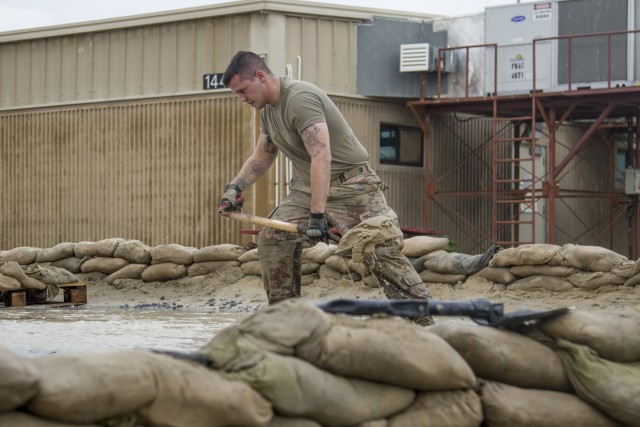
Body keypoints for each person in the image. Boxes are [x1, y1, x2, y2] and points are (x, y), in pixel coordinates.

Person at [218, 51, 433, 325]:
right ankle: (287, 320)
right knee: (273, 239)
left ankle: (423, 322)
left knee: (378, 250)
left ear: (260, 76)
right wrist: (234, 188)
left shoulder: (299, 99)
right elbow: (261, 157)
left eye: (242, 90)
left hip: (352, 186)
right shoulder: (268, 112)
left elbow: (322, 155)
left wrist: (317, 216)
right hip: (307, 187)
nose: (242, 98)